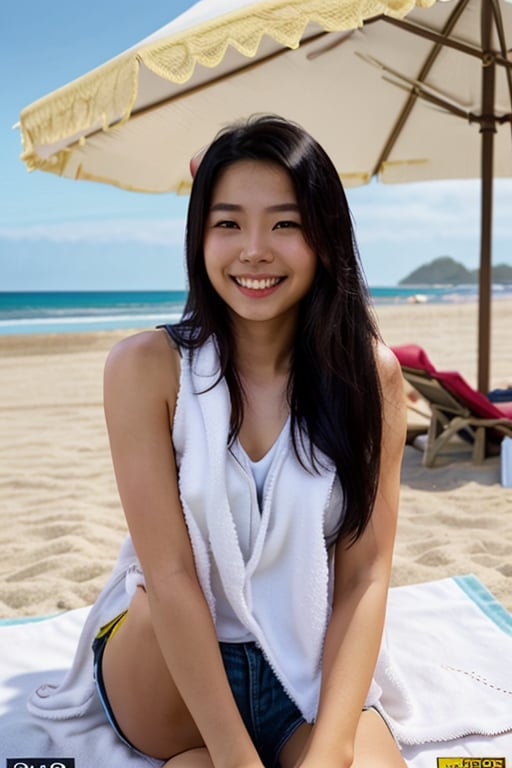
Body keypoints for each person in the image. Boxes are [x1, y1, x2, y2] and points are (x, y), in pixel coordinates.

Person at [94, 115, 407, 767]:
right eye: (228, 222)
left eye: (285, 224)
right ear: (199, 235)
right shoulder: (145, 369)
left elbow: (365, 575)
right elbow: (172, 573)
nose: (254, 250)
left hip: (306, 664)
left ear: (325, 236)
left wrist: (332, 751)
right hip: (171, 672)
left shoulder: (369, 376)